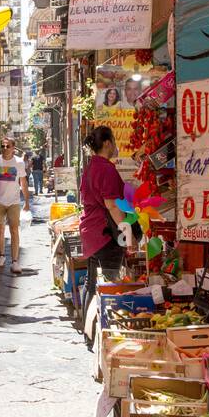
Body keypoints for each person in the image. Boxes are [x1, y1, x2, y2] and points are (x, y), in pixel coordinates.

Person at [80, 125, 128, 318]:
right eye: (114, 141)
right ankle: (103, 329)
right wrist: (127, 233)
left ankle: (88, 329)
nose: (116, 145)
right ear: (107, 143)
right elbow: (112, 205)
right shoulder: (106, 168)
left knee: (92, 285)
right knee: (108, 286)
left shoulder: (91, 167)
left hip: (92, 233)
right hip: (105, 234)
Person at [0, 136, 29, 274]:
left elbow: (23, 182)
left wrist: (27, 201)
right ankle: (1, 256)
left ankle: (15, 261)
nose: (5, 148)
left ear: (13, 148)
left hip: (13, 202)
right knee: (0, 229)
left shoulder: (19, 162)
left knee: (14, 230)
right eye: (3, 146)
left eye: (7, 146)